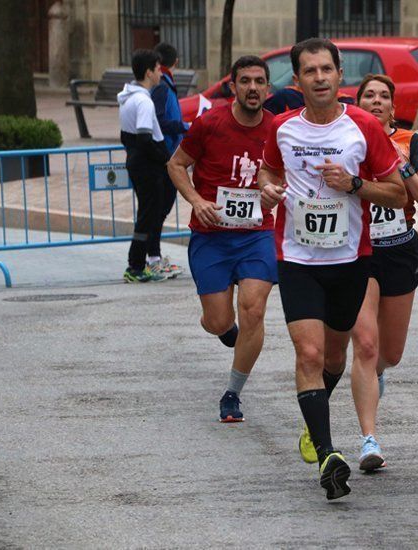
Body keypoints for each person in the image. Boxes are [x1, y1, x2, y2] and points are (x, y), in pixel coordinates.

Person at [258, 38, 406, 500]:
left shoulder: (362, 126)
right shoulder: (281, 128)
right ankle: (327, 455)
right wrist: (267, 190)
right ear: (297, 80)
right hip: (297, 259)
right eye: (310, 71)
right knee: (309, 355)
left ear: (340, 76)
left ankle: (314, 414)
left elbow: (398, 193)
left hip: (350, 260)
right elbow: (267, 172)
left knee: (336, 357)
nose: (319, 78)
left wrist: (355, 184)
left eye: (327, 69)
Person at [166, 56, 277, 422]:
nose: (252, 88)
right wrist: (197, 201)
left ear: (268, 88)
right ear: (233, 86)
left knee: (254, 310)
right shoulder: (210, 123)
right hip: (211, 236)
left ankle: (232, 392)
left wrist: (276, 192)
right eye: (245, 81)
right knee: (217, 321)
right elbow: (175, 164)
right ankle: (223, 327)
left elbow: (290, 175)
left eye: (259, 81)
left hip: (257, 234)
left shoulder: (279, 130)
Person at [348, 74, 418, 471]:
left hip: (400, 248)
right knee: (365, 345)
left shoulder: (411, 142)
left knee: (390, 353)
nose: (376, 101)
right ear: (358, 102)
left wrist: (404, 172)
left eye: (384, 95)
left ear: (392, 106)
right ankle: (369, 440)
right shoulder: (346, 139)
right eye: (368, 95)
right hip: (358, 251)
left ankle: (377, 374)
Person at [118, 49, 169, 283]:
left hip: (137, 162)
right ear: (149, 72)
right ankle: (136, 265)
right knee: (148, 215)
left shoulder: (128, 98)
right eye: (158, 69)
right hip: (148, 166)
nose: (161, 72)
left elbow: (126, 138)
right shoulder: (143, 101)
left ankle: (142, 261)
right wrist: (164, 159)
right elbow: (145, 138)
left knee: (148, 214)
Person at [149, 42, 189, 278]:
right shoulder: (163, 86)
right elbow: (160, 122)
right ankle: (151, 257)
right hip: (163, 156)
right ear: (175, 62)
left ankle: (153, 255)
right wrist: (184, 126)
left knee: (160, 209)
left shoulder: (165, 83)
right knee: (158, 209)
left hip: (169, 153)